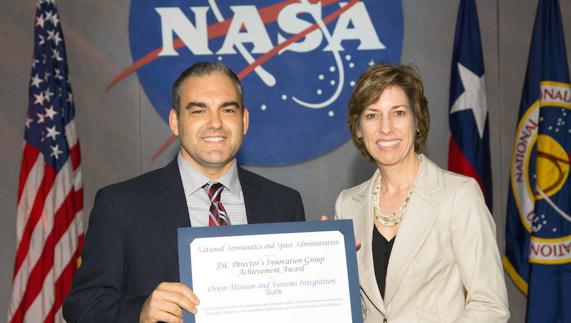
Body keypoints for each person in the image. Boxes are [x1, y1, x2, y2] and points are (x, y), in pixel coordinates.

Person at [62, 62, 305, 323]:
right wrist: (140, 311)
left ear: (244, 121)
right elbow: (83, 305)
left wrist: (331, 259)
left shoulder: (284, 204)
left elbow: (302, 303)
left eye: (228, 110)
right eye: (198, 110)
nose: (215, 123)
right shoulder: (120, 205)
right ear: (175, 122)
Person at [334, 63, 509, 322]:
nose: (386, 128)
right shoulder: (346, 204)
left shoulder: (459, 196)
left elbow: (490, 305)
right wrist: (329, 263)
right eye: (372, 115)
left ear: (418, 121)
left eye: (399, 113)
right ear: (358, 129)